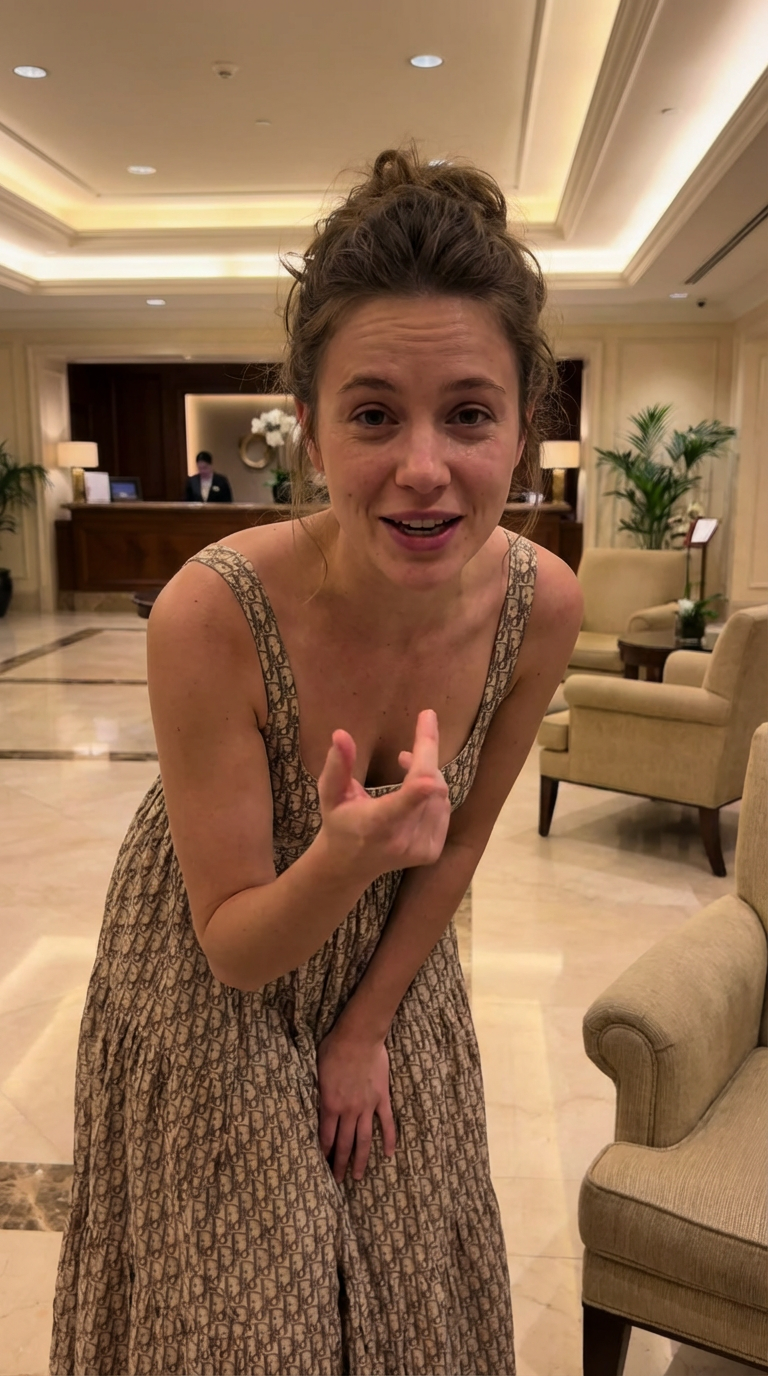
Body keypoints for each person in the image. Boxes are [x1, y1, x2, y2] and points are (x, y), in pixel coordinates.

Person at [51, 148, 583, 1376]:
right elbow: (234, 942)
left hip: (398, 962)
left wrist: (366, 1025)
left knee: (408, 1298)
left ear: (522, 429)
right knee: (244, 1323)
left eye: (469, 413)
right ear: (312, 427)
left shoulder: (539, 604)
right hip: (215, 981)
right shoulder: (213, 610)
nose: (422, 467)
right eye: (374, 413)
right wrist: (342, 856)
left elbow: (460, 840)